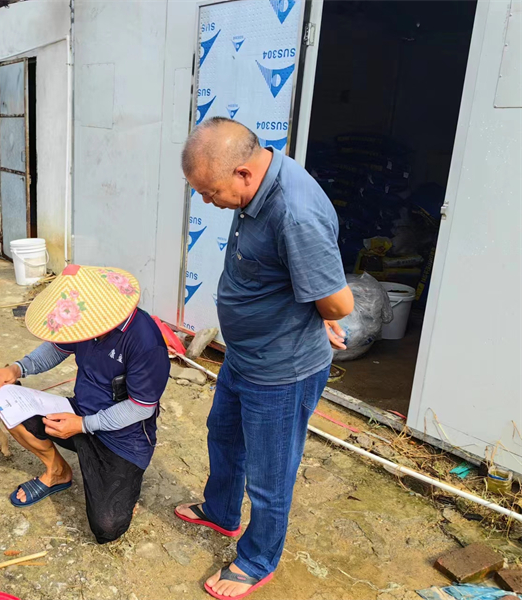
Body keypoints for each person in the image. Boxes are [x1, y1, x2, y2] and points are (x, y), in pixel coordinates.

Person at [175, 117, 354, 599]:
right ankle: (222, 512)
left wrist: (323, 310)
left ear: (243, 175)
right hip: (245, 356)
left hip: (281, 371)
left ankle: (258, 560)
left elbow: (340, 305)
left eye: (211, 192)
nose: (208, 202)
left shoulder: (294, 211)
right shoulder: (256, 177)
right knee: (224, 435)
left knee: (270, 477)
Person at [0, 264, 170, 544]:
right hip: (79, 412)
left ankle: (125, 485)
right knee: (6, 403)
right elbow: (56, 348)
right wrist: (17, 369)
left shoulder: (145, 340)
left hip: (123, 437)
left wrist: (84, 425)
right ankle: (57, 471)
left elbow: (141, 407)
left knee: (107, 527)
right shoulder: (85, 321)